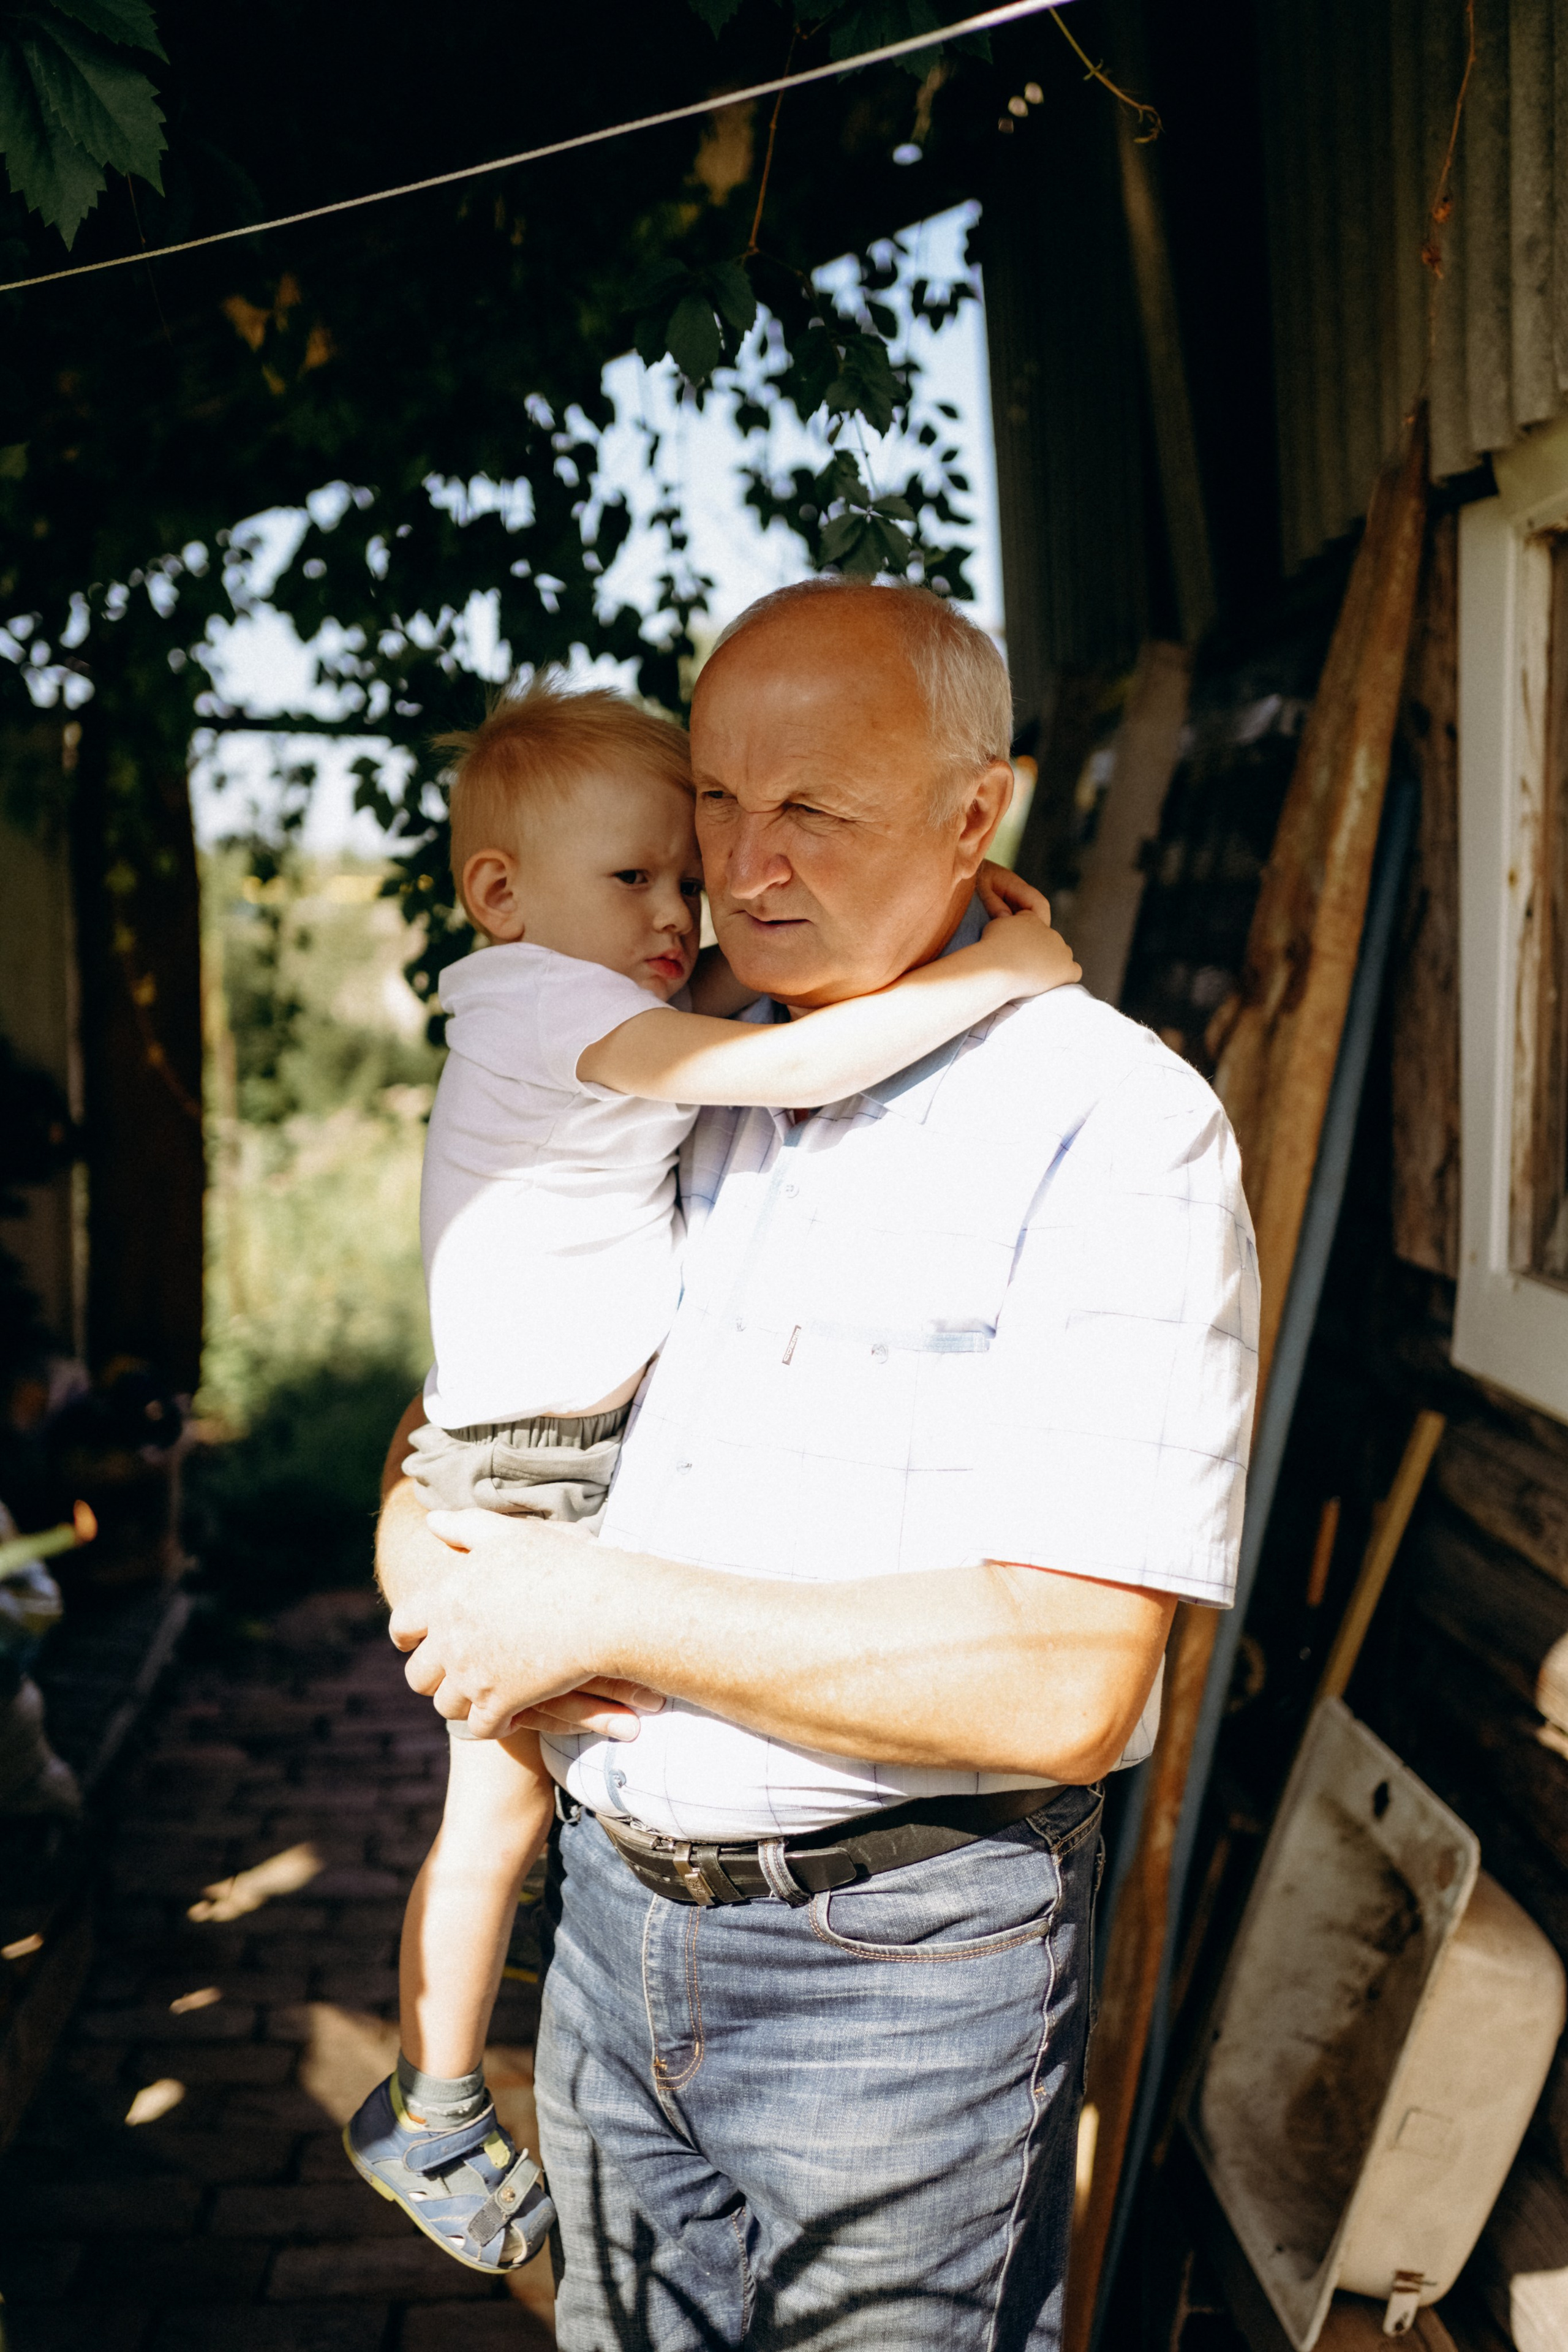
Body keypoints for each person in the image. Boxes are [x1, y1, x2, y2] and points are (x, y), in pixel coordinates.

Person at [377, 581, 1259, 2350]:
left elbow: (1073, 1682)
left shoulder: (1109, 1125)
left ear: (975, 812)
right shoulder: (665, 1055)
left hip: (900, 1975)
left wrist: (599, 1605)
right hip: (614, 1931)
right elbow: (472, 1421)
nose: (742, 869)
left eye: (815, 813)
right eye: (713, 802)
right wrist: (424, 1537)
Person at [344, 675, 1080, 2275]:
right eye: (640, 880)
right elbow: (797, 1072)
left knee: (516, 1809)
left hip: (532, 1456)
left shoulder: (571, 1005)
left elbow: (770, 1041)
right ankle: (433, 2103)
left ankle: (454, 2074)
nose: (682, 911)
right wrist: (1009, 965)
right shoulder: (549, 1003)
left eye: (687, 880)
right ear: (501, 895)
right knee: (492, 1814)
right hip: (529, 1480)